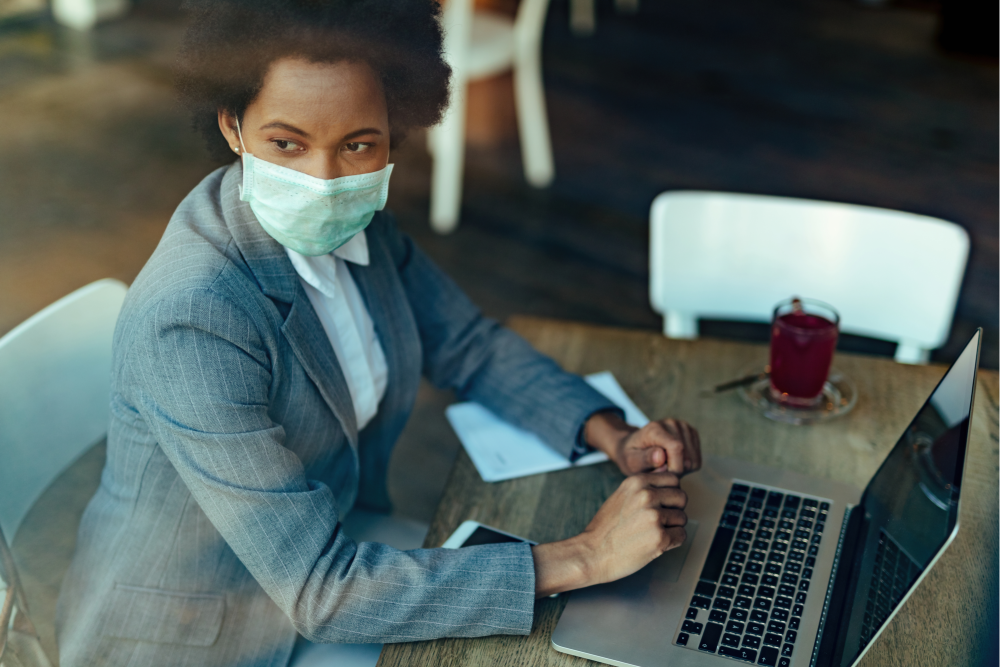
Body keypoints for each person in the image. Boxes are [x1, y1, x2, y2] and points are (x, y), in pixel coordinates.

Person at [56, 1, 701, 665]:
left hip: (329, 551)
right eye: (287, 143)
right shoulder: (195, 316)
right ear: (232, 126)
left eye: (358, 144)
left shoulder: (358, 225)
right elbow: (323, 591)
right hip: (197, 636)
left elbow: (468, 345)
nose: (325, 181)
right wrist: (588, 554)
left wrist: (612, 434)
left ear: (396, 129)